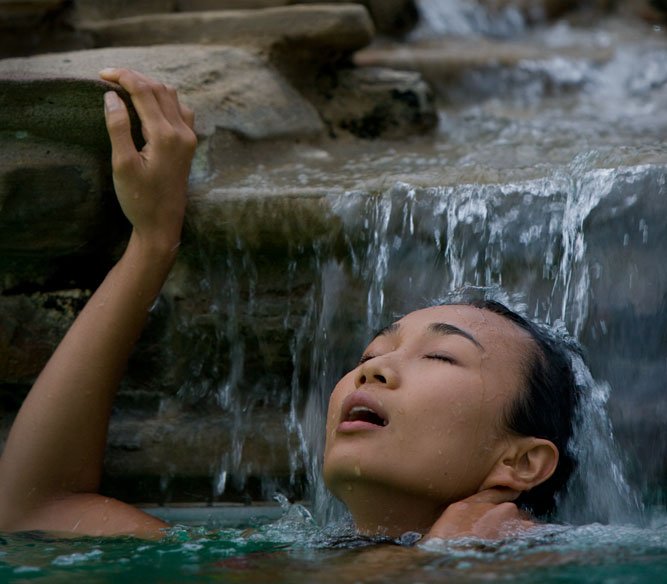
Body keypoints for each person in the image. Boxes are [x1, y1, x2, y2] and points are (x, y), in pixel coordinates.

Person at [0, 69, 579, 543]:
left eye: (441, 356)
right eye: (370, 354)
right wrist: (152, 242)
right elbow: (35, 511)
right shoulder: (272, 560)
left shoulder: (533, 564)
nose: (373, 369)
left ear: (522, 463)